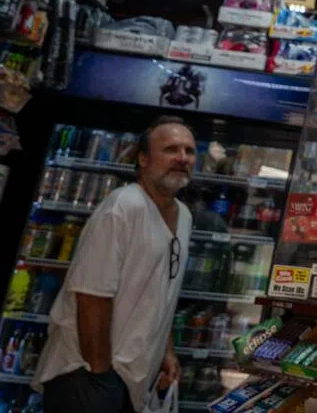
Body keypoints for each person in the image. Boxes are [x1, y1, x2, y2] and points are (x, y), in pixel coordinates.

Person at [34, 115, 196, 413]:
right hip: (85, 373)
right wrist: (100, 371)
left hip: (130, 376)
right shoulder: (122, 207)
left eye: (189, 151)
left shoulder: (184, 216)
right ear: (144, 159)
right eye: (171, 149)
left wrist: (166, 351)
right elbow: (92, 296)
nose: (182, 158)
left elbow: (162, 290)